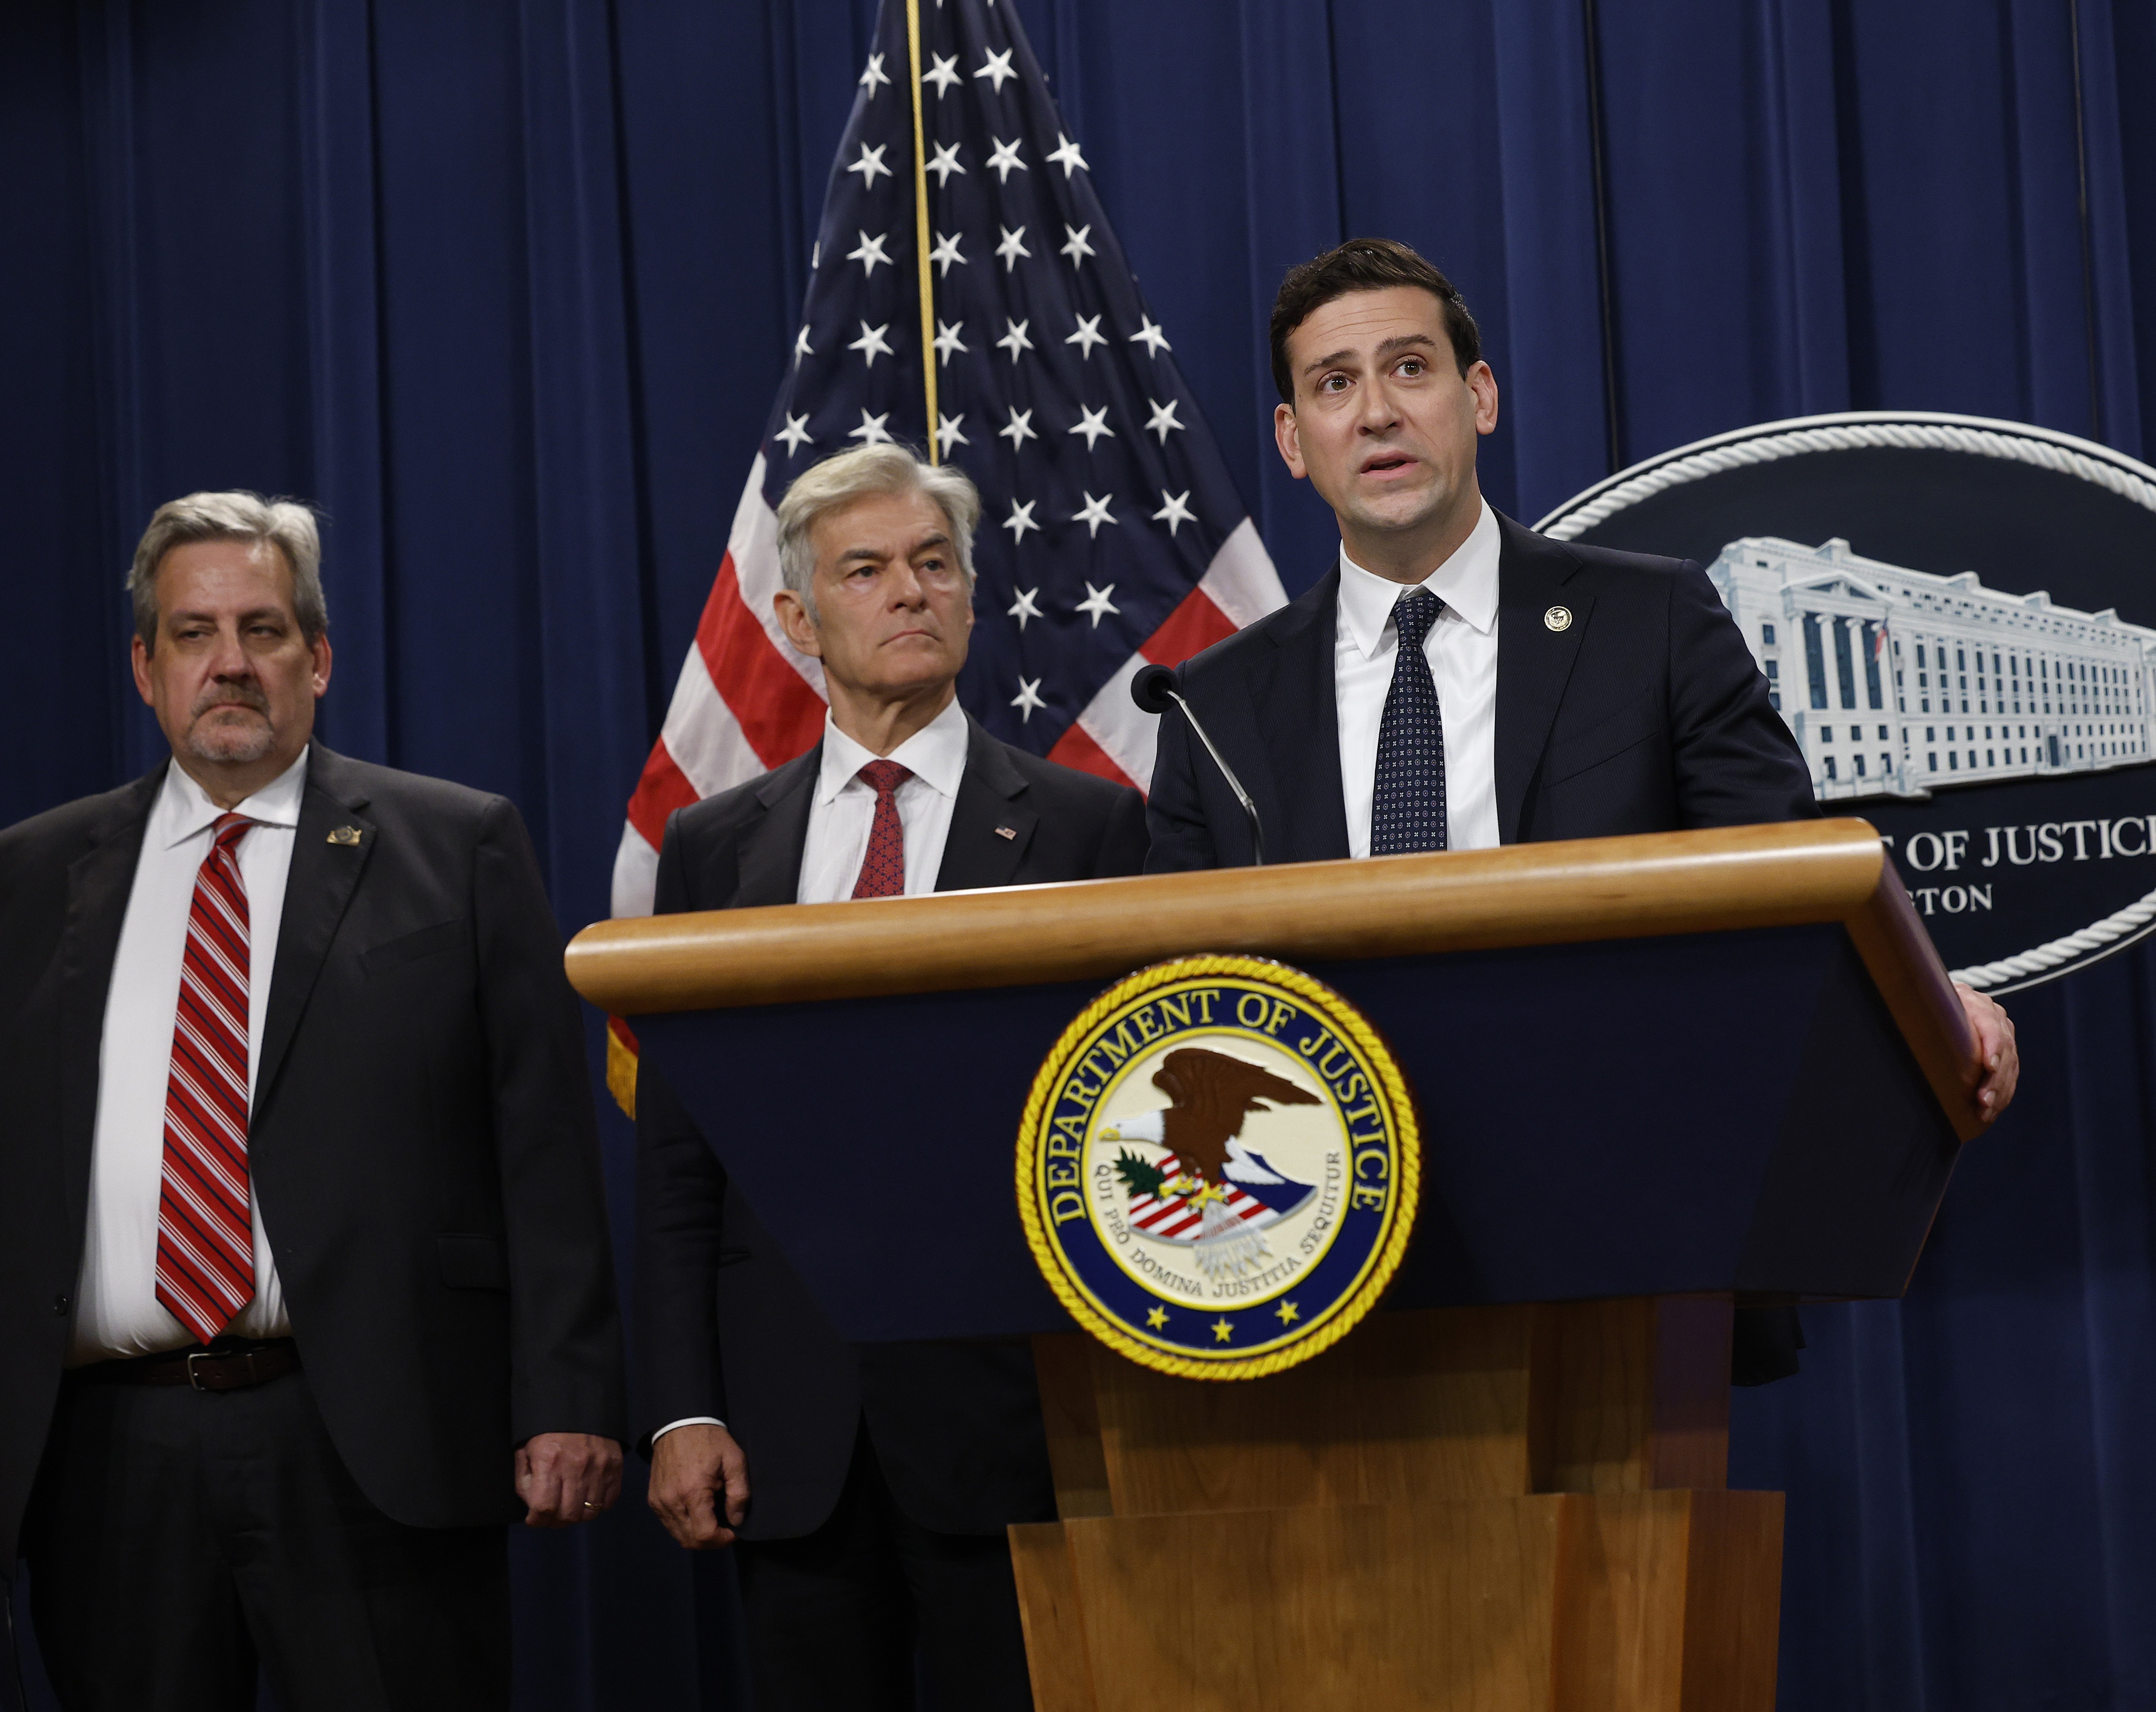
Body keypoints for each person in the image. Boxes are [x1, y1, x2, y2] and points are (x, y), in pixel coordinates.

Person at [1143, 239, 2020, 1376]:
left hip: (1621, 1234)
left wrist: (1926, 998)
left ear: (1480, 396)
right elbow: (1169, 988)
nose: (1374, 413)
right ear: (1291, 443)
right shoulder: (1214, 703)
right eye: (1333, 384)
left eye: (1409, 369)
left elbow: (1791, 885)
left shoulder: (1650, 623)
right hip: (1313, 1263)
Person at [0, 492, 626, 1710]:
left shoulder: (456, 845)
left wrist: (568, 1396)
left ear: (319, 656)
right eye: (193, 633)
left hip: (370, 1438)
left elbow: (541, 1149)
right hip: (104, 1460)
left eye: (264, 628)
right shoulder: (21, 877)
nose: (230, 662)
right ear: (145, 666)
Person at [637, 443, 1147, 1711]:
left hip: (1019, 1417)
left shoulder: (1089, 830)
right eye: (866, 571)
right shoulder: (715, 846)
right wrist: (681, 1408)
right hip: (786, 1432)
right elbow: (679, 1161)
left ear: (973, 598)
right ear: (801, 620)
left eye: (934, 565)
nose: (909, 592)